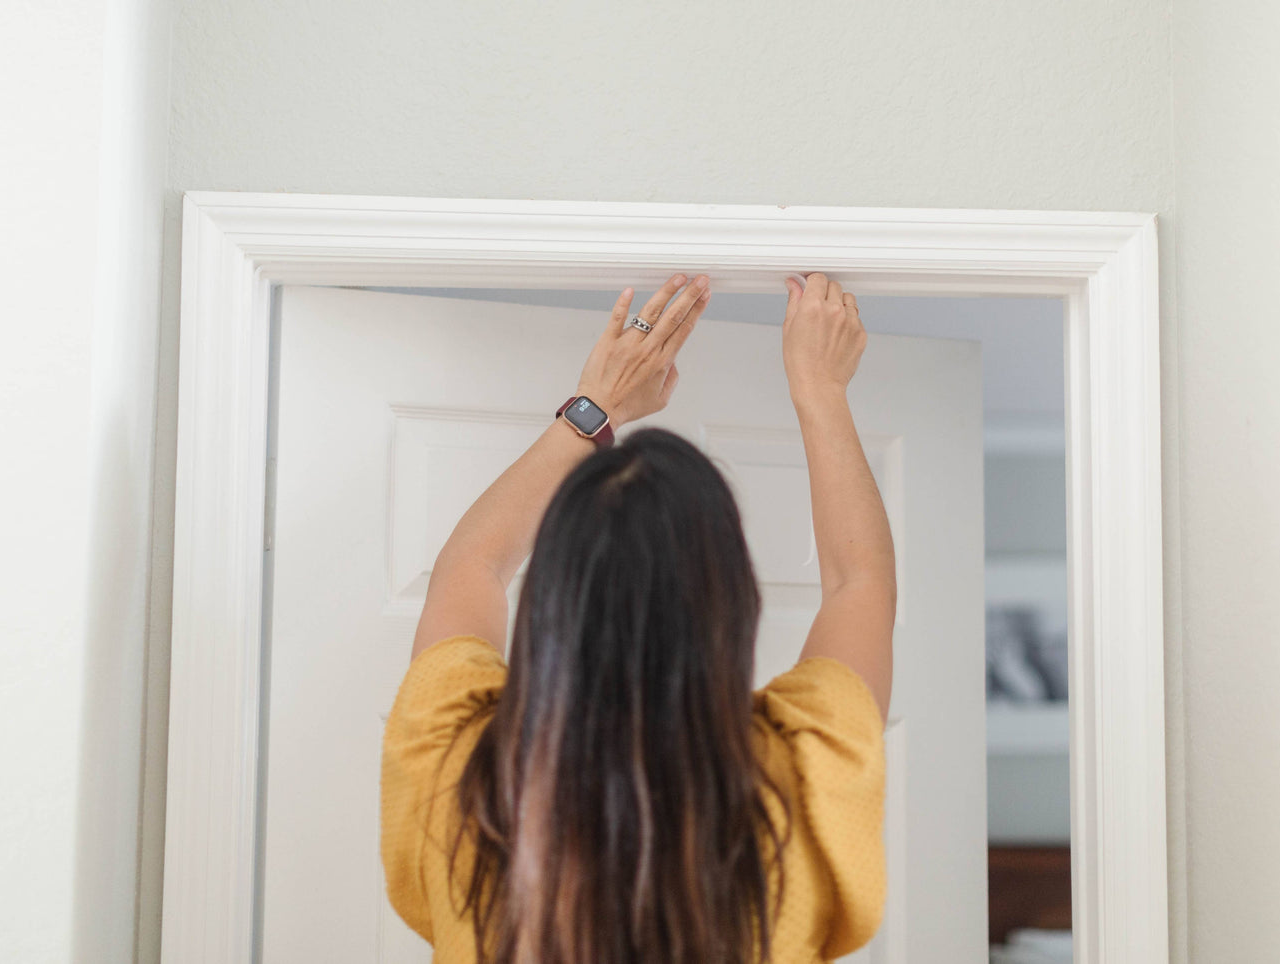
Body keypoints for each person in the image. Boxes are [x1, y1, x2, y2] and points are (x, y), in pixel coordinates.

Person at [380, 271, 895, 964]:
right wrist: (819, 388)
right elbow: (856, 584)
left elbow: (471, 566)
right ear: (730, 600)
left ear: (553, 596)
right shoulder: (801, 767)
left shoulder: (463, 765)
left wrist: (594, 409)